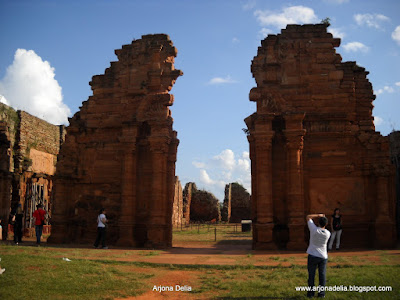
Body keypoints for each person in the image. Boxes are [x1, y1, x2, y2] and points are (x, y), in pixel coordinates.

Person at [306, 213, 330, 298]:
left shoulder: (314, 230)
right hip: (323, 256)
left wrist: (318, 215)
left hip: (312, 255)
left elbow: (308, 217)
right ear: (326, 224)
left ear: (318, 223)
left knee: (311, 275)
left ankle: (311, 294)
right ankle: (321, 294)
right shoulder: (328, 233)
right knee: (322, 275)